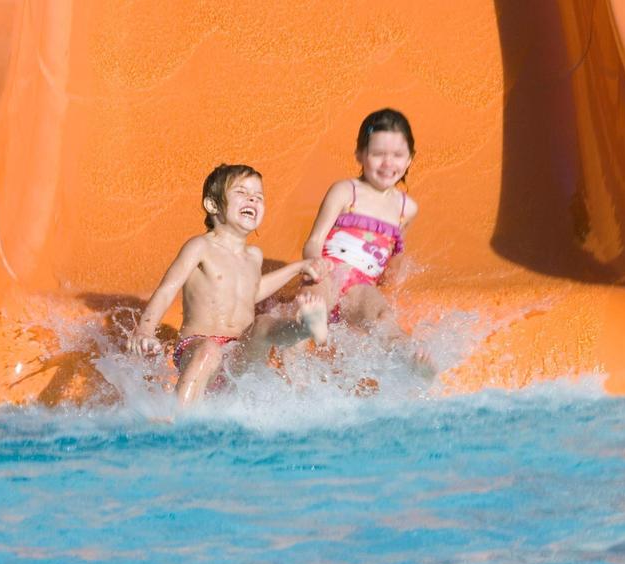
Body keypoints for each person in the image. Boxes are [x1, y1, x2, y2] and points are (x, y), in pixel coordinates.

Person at [127, 163, 329, 404]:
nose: (252, 200)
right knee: (209, 351)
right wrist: (145, 330)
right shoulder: (200, 246)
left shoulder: (254, 256)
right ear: (213, 205)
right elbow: (168, 288)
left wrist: (297, 267)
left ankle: (305, 327)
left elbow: (252, 293)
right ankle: (178, 418)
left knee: (263, 325)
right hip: (198, 345)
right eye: (242, 193)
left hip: (239, 350)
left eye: (258, 197)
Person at [300, 108, 432, 368]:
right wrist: (317, 269)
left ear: (410, 159)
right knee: (313, 306)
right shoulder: (346, 191)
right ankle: (308, 335)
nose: (388, 163)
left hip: (361, 286)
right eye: (378, 154)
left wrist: (396, 272)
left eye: (397, 155)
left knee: (383, 317)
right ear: (360, 155)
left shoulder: (407, 208)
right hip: (328, 272)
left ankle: (412, 362)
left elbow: (392, 259)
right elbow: (314, 241)